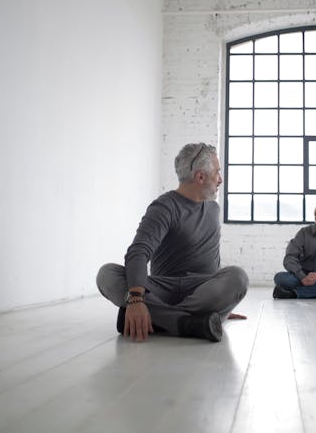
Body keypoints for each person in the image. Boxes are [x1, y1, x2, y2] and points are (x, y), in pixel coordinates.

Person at [96, 142, 249, 342]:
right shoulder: (164, 207)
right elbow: (138, 252)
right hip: (161, 290)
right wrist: (135, 299)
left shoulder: (213, 209)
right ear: (200, 177)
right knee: (106, 274)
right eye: (217, 173)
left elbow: (213, 260)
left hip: (200, 290)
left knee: (238, 277)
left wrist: (223, 305)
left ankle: (158, 318)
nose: (220, 180)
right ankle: (190, 323)